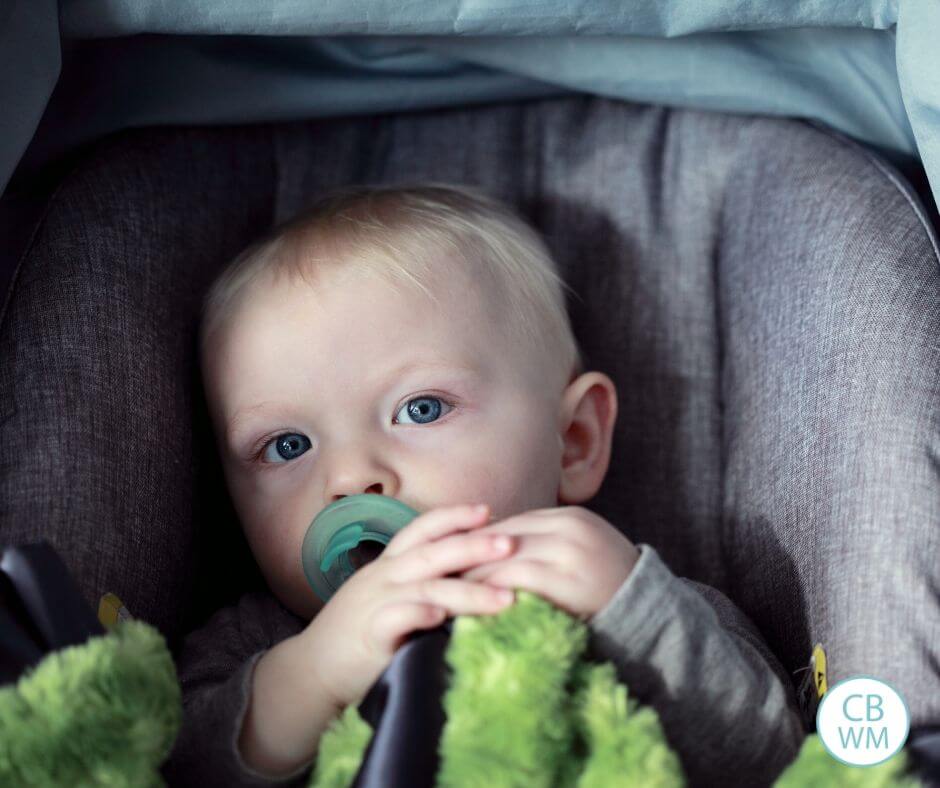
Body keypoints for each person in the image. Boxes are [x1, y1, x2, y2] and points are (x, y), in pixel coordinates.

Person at [164, 182, 806, 786]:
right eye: (287, 446)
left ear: (575, 440)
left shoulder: (626, 599)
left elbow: (775, 759)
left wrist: (634, 614)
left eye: (421, 408)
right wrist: (314, 674)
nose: (351, 477)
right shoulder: (264, 643)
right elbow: (174, 767)